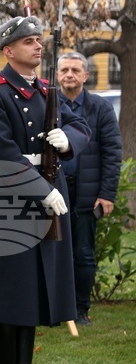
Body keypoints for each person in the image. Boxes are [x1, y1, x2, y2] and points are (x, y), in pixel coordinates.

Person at [0, 15, 89, 364]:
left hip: (48, 191)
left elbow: (81, 127)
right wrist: (41, 190)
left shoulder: (45, 91)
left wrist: (67, 139)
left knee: (33, 282)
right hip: (13, 193)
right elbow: (1, 150)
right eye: (28, 42)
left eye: (38, 40)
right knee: (7, 282)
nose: (38, 46)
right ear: (8, 50)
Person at [56, 51, 122, 325]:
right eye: (64, 70)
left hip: (87, 195)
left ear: (85, 75)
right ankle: (55, 310)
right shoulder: (48, 106)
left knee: (83, 254)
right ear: (57, 75)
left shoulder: (101, 108)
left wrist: (106, 194)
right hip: (54, 193)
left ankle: (80, 310)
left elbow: (112, 152)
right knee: (53, 252)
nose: (69, 75)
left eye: (75, 70)